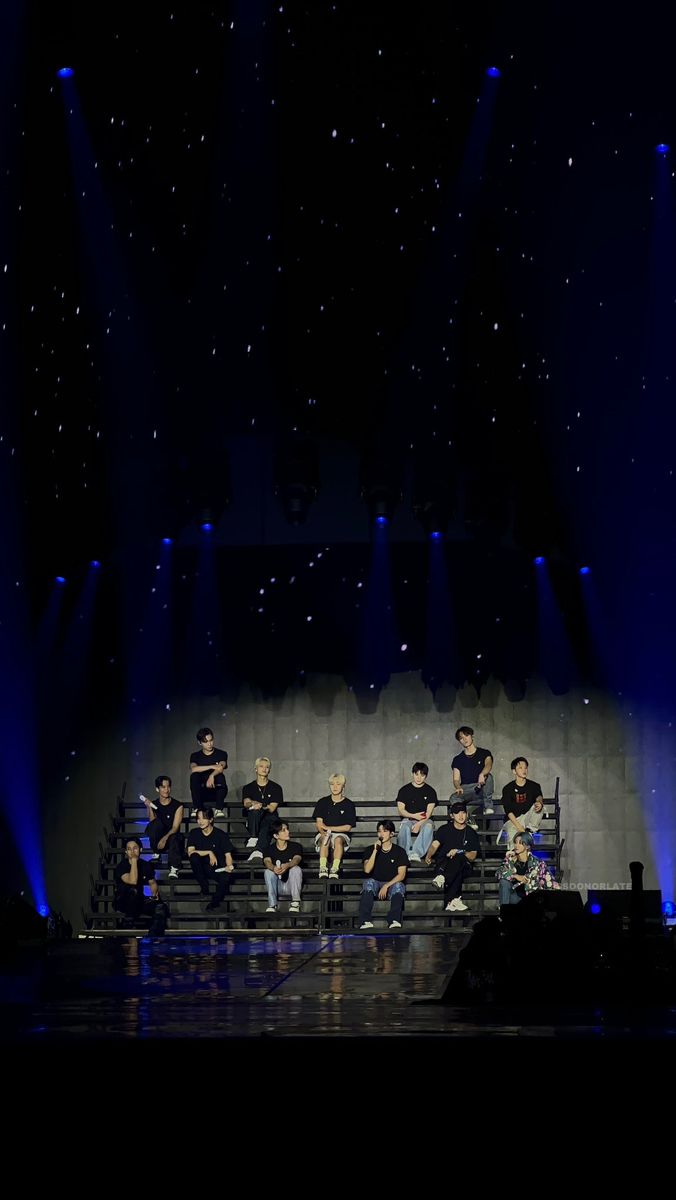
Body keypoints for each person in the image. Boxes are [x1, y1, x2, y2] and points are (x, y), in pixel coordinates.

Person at [425, 800, 480, 912]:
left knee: (459, 858)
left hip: (464, 866)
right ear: (452, 815)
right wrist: (428, 855)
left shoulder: (471, 833)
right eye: (457, 813)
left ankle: (443, 878)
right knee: (457, 871)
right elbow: (434, 846)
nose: (461, 815)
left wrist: (460, 851)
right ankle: (453, 901)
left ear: (467, 814)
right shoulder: (444, 829)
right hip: (444, 864)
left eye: (463, 812)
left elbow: (473, 856)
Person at [359, 820, 408, 930]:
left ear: (391, 834)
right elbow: (367, 870)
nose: (381, 834)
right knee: (368, 883)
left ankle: (394, 920)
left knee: (399, 886)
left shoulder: (399, 851)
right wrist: (375, 851)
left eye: (385, 831)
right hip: (375, 882)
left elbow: (402, 874)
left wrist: (386, 886)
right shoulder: (370, 850)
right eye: (379, 831)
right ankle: (365, 921)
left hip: (391, 883)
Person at [114, 837, 168, 934]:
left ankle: (153, 935)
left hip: (139, 901)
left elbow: (152, 883)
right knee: (133, 892)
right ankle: (127, 927)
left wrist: (154, 895)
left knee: (160, 907)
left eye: (135, 848)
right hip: (123, 901)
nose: (132, 851)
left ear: (140, 850)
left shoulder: (145, 865)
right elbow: (133, 880)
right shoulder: (122, 866)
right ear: (126, 852)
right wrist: (134, 861)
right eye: (129, 849)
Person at [187, 807, 235, 912]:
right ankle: (204, 886)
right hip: (202, 867)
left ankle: (214, 903)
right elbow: (190, 852)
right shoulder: (194, 833)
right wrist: (209, 852)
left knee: (226, 878)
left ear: (211, 819)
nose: (200, 822)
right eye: (198, 819)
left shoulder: (220, 834)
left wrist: (229, 866)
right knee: (194, 857)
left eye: (204, 818)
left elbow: (228, 855)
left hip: (217, 867)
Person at [497, 830, 559, 905]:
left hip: (531, 899)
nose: (516, 846)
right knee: (504, 882)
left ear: (527, 846)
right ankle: (504, 914)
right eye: (515, 842)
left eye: (520, 843)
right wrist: (515, 876)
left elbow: (550, 883)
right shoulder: (510, 859)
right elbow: (499, 873)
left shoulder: (537, 863)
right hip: (515, 898)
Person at [312, 773, 356, 879]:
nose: (335, 787)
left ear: (343, 786)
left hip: (341, 836)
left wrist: (329, 828)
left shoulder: (349, 804)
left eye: (338, 784)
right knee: (325, 839)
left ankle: (334, 868)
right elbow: (319, 823)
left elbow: (347, 827)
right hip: (324, 833)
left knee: (338, 840)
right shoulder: (322, 802)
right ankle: (323, 867)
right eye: (332, 784)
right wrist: (324, 833)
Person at [141, 775, 184, 879]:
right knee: (155, 824)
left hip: (171, 837)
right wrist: (149, 807)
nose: (166, 790)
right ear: (157, 789)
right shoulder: (154, 804)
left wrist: (165, 838)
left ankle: (174, 868)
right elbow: (152, 823)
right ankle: (156, 851)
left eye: (168, 787)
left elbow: (175, 827)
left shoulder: (178, 805)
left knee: (175, 836)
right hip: (158, 838)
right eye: (163, 787)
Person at [241, 756, 284, 862]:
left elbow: (272, 808)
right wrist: (253, 804)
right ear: (256, 769)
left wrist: (260, 805)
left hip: (270, 817)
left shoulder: (276, 787)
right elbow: (246, 803)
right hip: (253, 818)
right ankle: (254, 838)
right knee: (254, 810)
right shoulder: (248, 787)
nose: (264, 769)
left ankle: (257, 849)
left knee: (267, 824)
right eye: (261, 766)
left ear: (269, 770)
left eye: (267, 767)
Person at [497, 757, 545, 847]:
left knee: (541, 807)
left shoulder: (534, 786)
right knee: (514, 841)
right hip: (513, 820)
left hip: (527, 819)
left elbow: (539, 796)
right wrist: (519, 828)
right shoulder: (508, 788)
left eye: (525, 767)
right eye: (520, 767)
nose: (524, 770)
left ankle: (530, 830)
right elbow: (508, 811)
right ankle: (512, 858)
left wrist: (539, 802)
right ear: (514, 771)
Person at [451, 725, 494, 824]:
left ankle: (488, 806)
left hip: (481, 787)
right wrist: (458, 787)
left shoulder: (484, 753)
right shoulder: (458, 759)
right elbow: (456, 779)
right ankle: (468, 818)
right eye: (461, 738)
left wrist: (482, 774)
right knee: (453, 798)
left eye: (466, 735)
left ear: (472, 736)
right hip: (467, 789)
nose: (464, 739)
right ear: (459, 741)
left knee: (489, 777)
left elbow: (488, 764)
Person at [396, 762, 437, 861]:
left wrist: (419, 823)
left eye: (422, 775)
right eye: (416, 774)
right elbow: (401, 810)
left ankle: (415, 853)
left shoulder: (430, 791)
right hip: (408, 818)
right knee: (404, 826)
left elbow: (429, 813)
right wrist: (414, 816)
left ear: (426, 776)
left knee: (429, 826)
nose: (419, 778)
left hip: (425, 820)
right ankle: (405, 854)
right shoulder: (404, 790)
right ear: (412, 774)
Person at [262, 820, 303, 913]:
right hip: (277, 886)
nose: (288, 832)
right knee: (268, 871)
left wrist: (287, 865)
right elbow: (267, 861)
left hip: (291, 885)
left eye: (287, 829)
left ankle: (295, 902)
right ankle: (272, 905)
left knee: (296, 869)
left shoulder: (296, 847)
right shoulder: (269, 849)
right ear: (276, 836)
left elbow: (297, 859)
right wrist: (274, 868)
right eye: (284, 830)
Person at [189, 727, 228, 816]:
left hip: (217, 791)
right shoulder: (195, 756)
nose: (209, 744)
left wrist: (212, 776)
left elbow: (221, 767)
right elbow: (194, 769)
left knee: (220, 776)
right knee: (194, 776)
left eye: (211, 740)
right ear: (199, 743)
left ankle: (218, 809)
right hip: (201, 793)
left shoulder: (221, 754)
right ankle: (197, 808)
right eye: (205, 742)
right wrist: (212, 766)